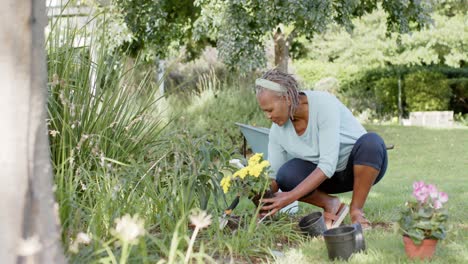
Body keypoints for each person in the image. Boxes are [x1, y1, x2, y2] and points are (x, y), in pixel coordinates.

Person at [255, 69, 388, 230]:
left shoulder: (324, 104)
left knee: (372, 142)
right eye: (265, 111)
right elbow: (274, 177)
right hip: (325, 180)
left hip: (361, 168)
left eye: (270, 110)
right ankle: (330, 204)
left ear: (287, 98)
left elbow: (327, 165)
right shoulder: (277, 131)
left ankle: (356, 211)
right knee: (285, 174)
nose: (268, 116)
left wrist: (290, 197)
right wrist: (261, 206)